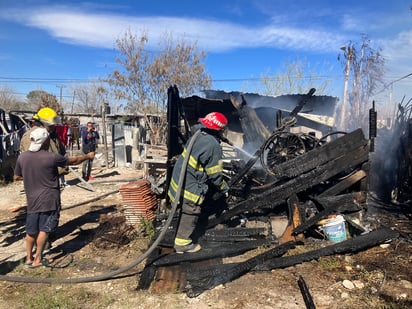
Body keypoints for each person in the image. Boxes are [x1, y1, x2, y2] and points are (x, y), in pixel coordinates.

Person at [14, 127, 95, 267]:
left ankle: (28, 258)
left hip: (32, 200)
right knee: (44, 230)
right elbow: (74, 161)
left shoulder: (23, 157)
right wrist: (88, 156)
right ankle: (37, 260)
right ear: (45, 142)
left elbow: (16, 177)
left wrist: (31, 176)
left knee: (31, 230)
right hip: (49, 199)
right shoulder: (51, 157)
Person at [168, 112, 229, 253]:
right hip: (190, 182)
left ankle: (179, 229)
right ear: (220, 129)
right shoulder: (213, 145)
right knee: (191, 209)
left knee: (183, 205)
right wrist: (225, 188)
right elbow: (215, 175)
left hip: (180, 177)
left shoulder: (199, 134)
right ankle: (182, 243)